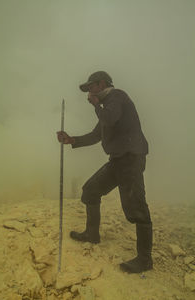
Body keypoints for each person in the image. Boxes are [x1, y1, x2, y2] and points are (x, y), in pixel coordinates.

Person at [57, 71, 153, 273]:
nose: (89, 93)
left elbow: (109, 119)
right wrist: (72, 140)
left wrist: (96, 105)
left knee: (135, 207)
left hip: (131, 158)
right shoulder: (107, 106)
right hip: (118, 159)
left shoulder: (116, 97)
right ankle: (92, 234)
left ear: (101, 84)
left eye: (90, 87)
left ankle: (145, 260)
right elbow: (96, 134)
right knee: (91, 190)